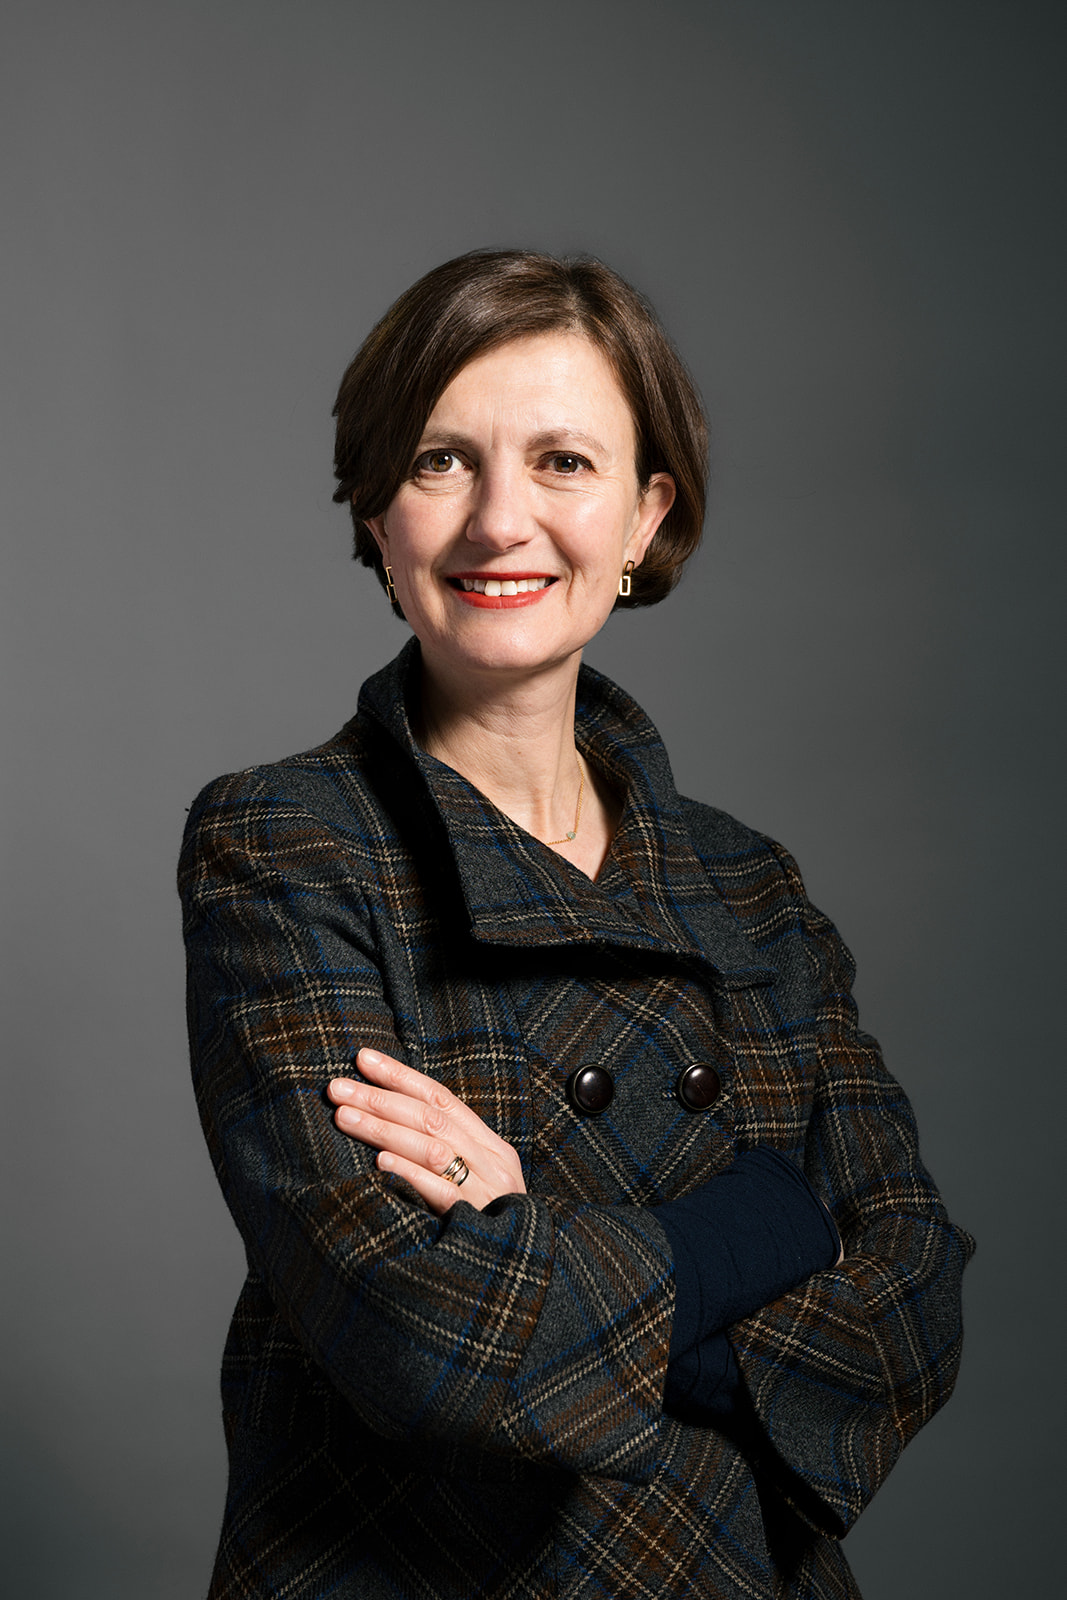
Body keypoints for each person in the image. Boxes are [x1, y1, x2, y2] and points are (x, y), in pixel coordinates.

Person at [179, 249, 973, 1600]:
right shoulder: (283, 844)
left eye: (563, 463)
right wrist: (763, 1231)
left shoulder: (748, 882)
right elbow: (420, 1331)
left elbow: (913, 1299)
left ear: (646, 516)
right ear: (377, 510)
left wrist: (530, 1222)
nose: (502, 522)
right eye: (441, 462)